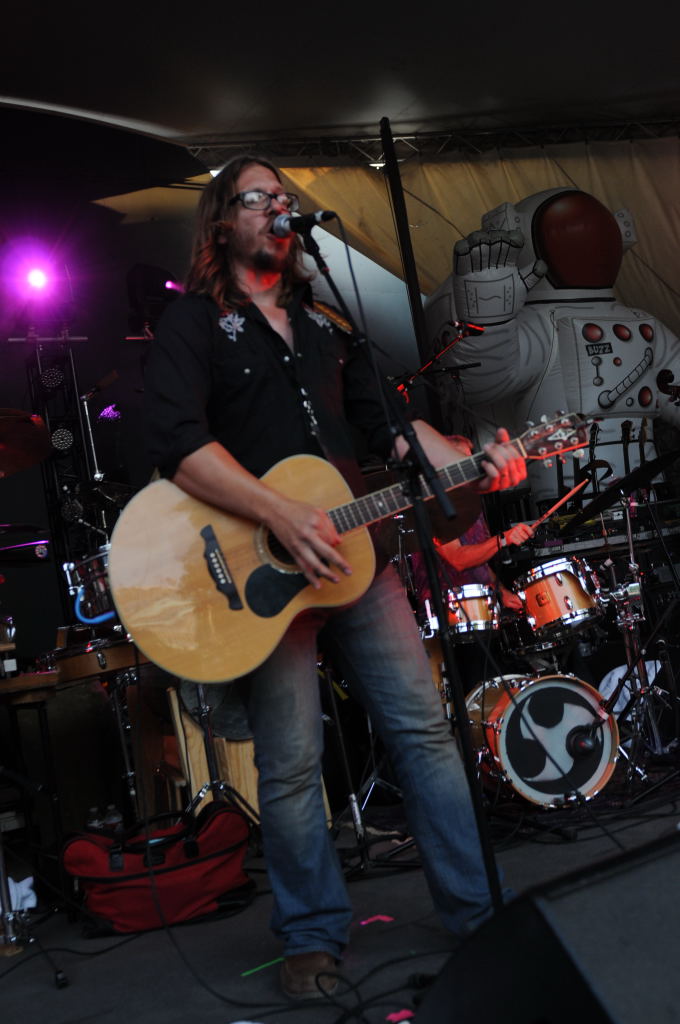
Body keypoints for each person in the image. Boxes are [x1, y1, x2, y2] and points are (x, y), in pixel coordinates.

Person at [143, 154, 528, 1000]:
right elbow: (174, 440)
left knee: (424, 734)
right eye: (259, 197)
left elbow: (390, 429)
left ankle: (479, 913)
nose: (279, 207)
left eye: (284, 196)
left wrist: (475, 460)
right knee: (290, 763)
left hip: (358, 558)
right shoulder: (195, 325)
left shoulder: (327, 324)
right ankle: (311, 940)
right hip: (259, 573)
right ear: (222, 222)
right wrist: (278, 514)